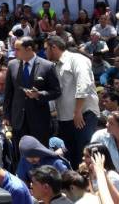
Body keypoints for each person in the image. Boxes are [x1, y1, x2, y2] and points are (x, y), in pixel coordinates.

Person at [45, 35, 100, 169]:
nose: (45, 52)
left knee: (84, 153)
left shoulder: (77, 59)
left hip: (82, 115)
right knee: (71, 155)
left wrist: (78, 111)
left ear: (54, 47)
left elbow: (83, 85)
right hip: (65, 118)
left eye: (46, 49)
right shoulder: (54, 66)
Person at [4, 36, 61, 153]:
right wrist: (6, 116)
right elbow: (8, 93)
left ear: (28, 49)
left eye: (17, 49)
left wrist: (38, 95)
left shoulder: (47, 66)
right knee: (19, 153)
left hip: (39, 120)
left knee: (40, 153)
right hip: (18, 119)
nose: (15, 52)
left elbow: (56, 91)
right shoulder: (12, 65)